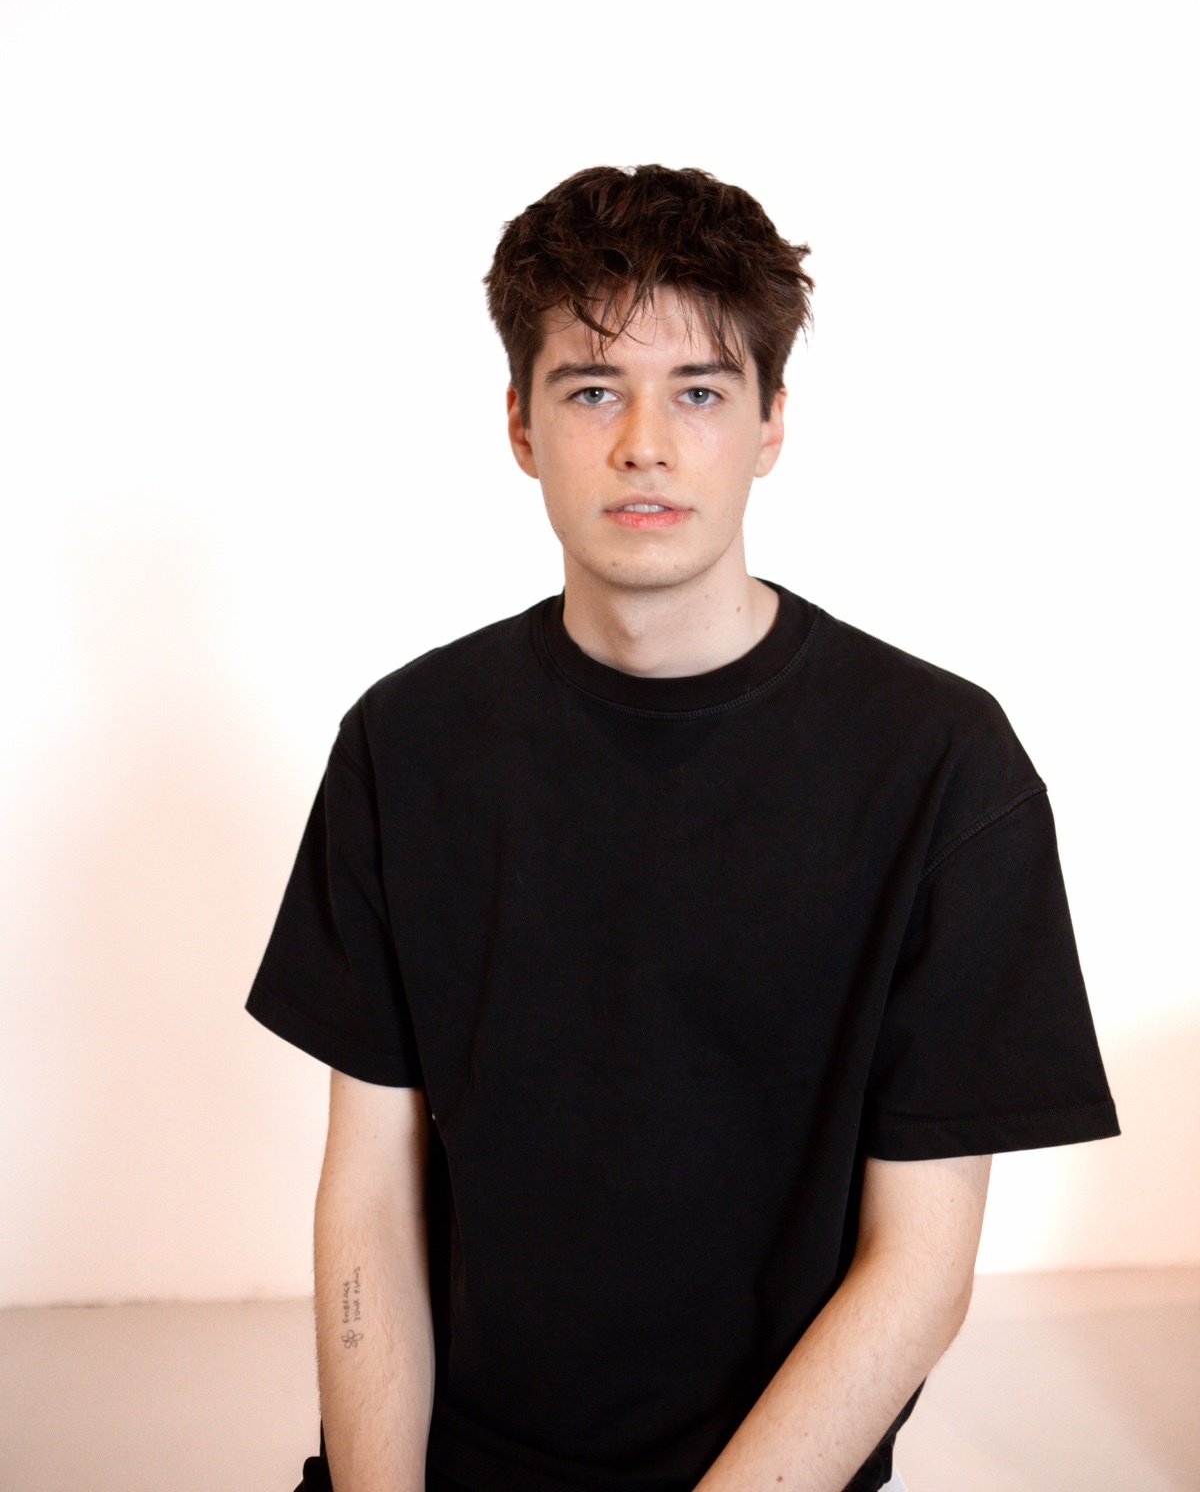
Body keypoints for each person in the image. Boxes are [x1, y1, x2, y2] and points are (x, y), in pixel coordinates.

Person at [247, 164, 1118, 1492]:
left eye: (700, 391)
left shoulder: (943, 770)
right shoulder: (406, 746)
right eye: (593, 389)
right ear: (521, 427)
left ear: (772, 424)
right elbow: (366, 1197)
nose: (644, 441)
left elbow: (921, 1266)